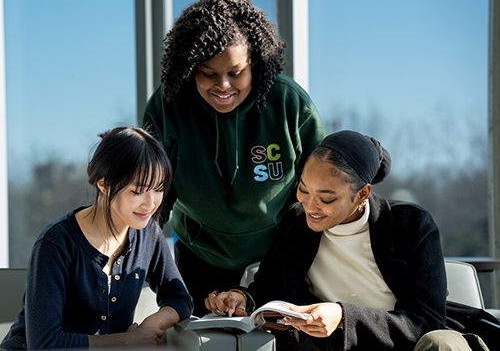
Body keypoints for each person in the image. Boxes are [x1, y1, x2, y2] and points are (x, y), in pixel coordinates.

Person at [205, 130, 486, 350]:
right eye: (303, 190)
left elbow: (426, 322)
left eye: (327, 198)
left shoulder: (411, 223)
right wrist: (240, 297)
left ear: (362, 194)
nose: (310, 206)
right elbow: (267, 288)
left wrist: (343, 317)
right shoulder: (296, 221)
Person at [141, 0, 327, 316]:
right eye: (208, 74)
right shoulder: (168, 104)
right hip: (200, 254)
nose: (223, 86)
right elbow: (154, 192)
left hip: (277, 254)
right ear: (189, 68)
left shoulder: (289, 103)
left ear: (254, 62)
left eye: (235, 72)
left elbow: (325, 184)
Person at [0, 127, 193, 350]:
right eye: (138, 191)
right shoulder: (56, 243)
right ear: (104, 184)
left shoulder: (148, 234)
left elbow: (181, 299)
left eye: (158, 189)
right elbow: (44, 344)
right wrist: (126, 341)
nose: (150, 204)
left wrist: (150, 326)